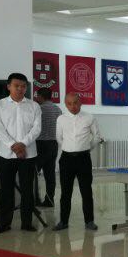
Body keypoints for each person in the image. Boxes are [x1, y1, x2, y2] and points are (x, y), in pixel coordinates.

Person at [0, 72, 42, 233]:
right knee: (6, 189)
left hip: (28, 155)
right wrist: (13, 145)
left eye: (23, 86)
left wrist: (23, 144)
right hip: (6, 155)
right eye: (16, 86)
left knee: (27, 190)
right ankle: (5, 223)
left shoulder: (34, 106)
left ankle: (27, 223)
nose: (20, 89)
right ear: (8, 87)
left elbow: (37, 129)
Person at [54, 93, 103, 231]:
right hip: (66, 159)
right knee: (65, 192)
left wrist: (86, 147)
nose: (73, 106)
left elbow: (97, 136)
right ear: (65, 104)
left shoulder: (89, 117)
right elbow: (59, 138)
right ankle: (63, 221)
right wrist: (69, 148)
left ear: (80, 102)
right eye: (69, 103)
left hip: (83, 159)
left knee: (86, 191)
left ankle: (89, 221)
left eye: (75, 103)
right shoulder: (61, 119)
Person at [33, 87, 62, 207]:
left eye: (37, 95)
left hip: (40, 144)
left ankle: (35, 199)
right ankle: (49, 200)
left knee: (33, 173)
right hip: (53, 144)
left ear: (41, 96)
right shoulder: (58, 109)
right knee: (50, 174)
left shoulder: (38, 109)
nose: (36, 98)